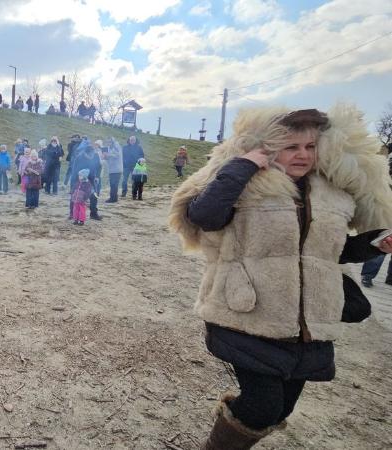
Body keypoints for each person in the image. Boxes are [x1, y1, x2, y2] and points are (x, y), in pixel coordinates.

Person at [169, 106, 392, 449]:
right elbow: (204, 216)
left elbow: (330, 251)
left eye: (310, 146)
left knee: (280, 409)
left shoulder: (333, 195)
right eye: (291, 146)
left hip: (306, 323)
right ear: (270, 147)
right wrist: (242, 166)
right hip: (249, 314)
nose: (302, 155)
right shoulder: (247, 185)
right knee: (262, 406)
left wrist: (375, 245)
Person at [69, 139, 102, 220]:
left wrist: (97, 176)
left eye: (92, 155)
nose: (91, 157)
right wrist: (73, 185)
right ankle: (72, 213)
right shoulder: (79, 158)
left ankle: (93, 213)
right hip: (80, 179)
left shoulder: (96, 156)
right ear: (85, 153)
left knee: (94, 196)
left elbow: (99, 166)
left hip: (91, 179)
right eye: (89, 155)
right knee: (76, 196)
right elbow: (74, 172)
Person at [104, 137, 123, 203]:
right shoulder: (109, 148)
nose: (108, 143)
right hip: (111, 169)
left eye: (109, 142)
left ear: (113, 142)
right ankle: (114, 198)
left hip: (117, 169)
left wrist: (108, 155)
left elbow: (117, 155)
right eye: (107, 142)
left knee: (114, 184)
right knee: (112, 184)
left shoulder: (117, 147)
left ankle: (113, 198)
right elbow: (110, 158)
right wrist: (105, 157)